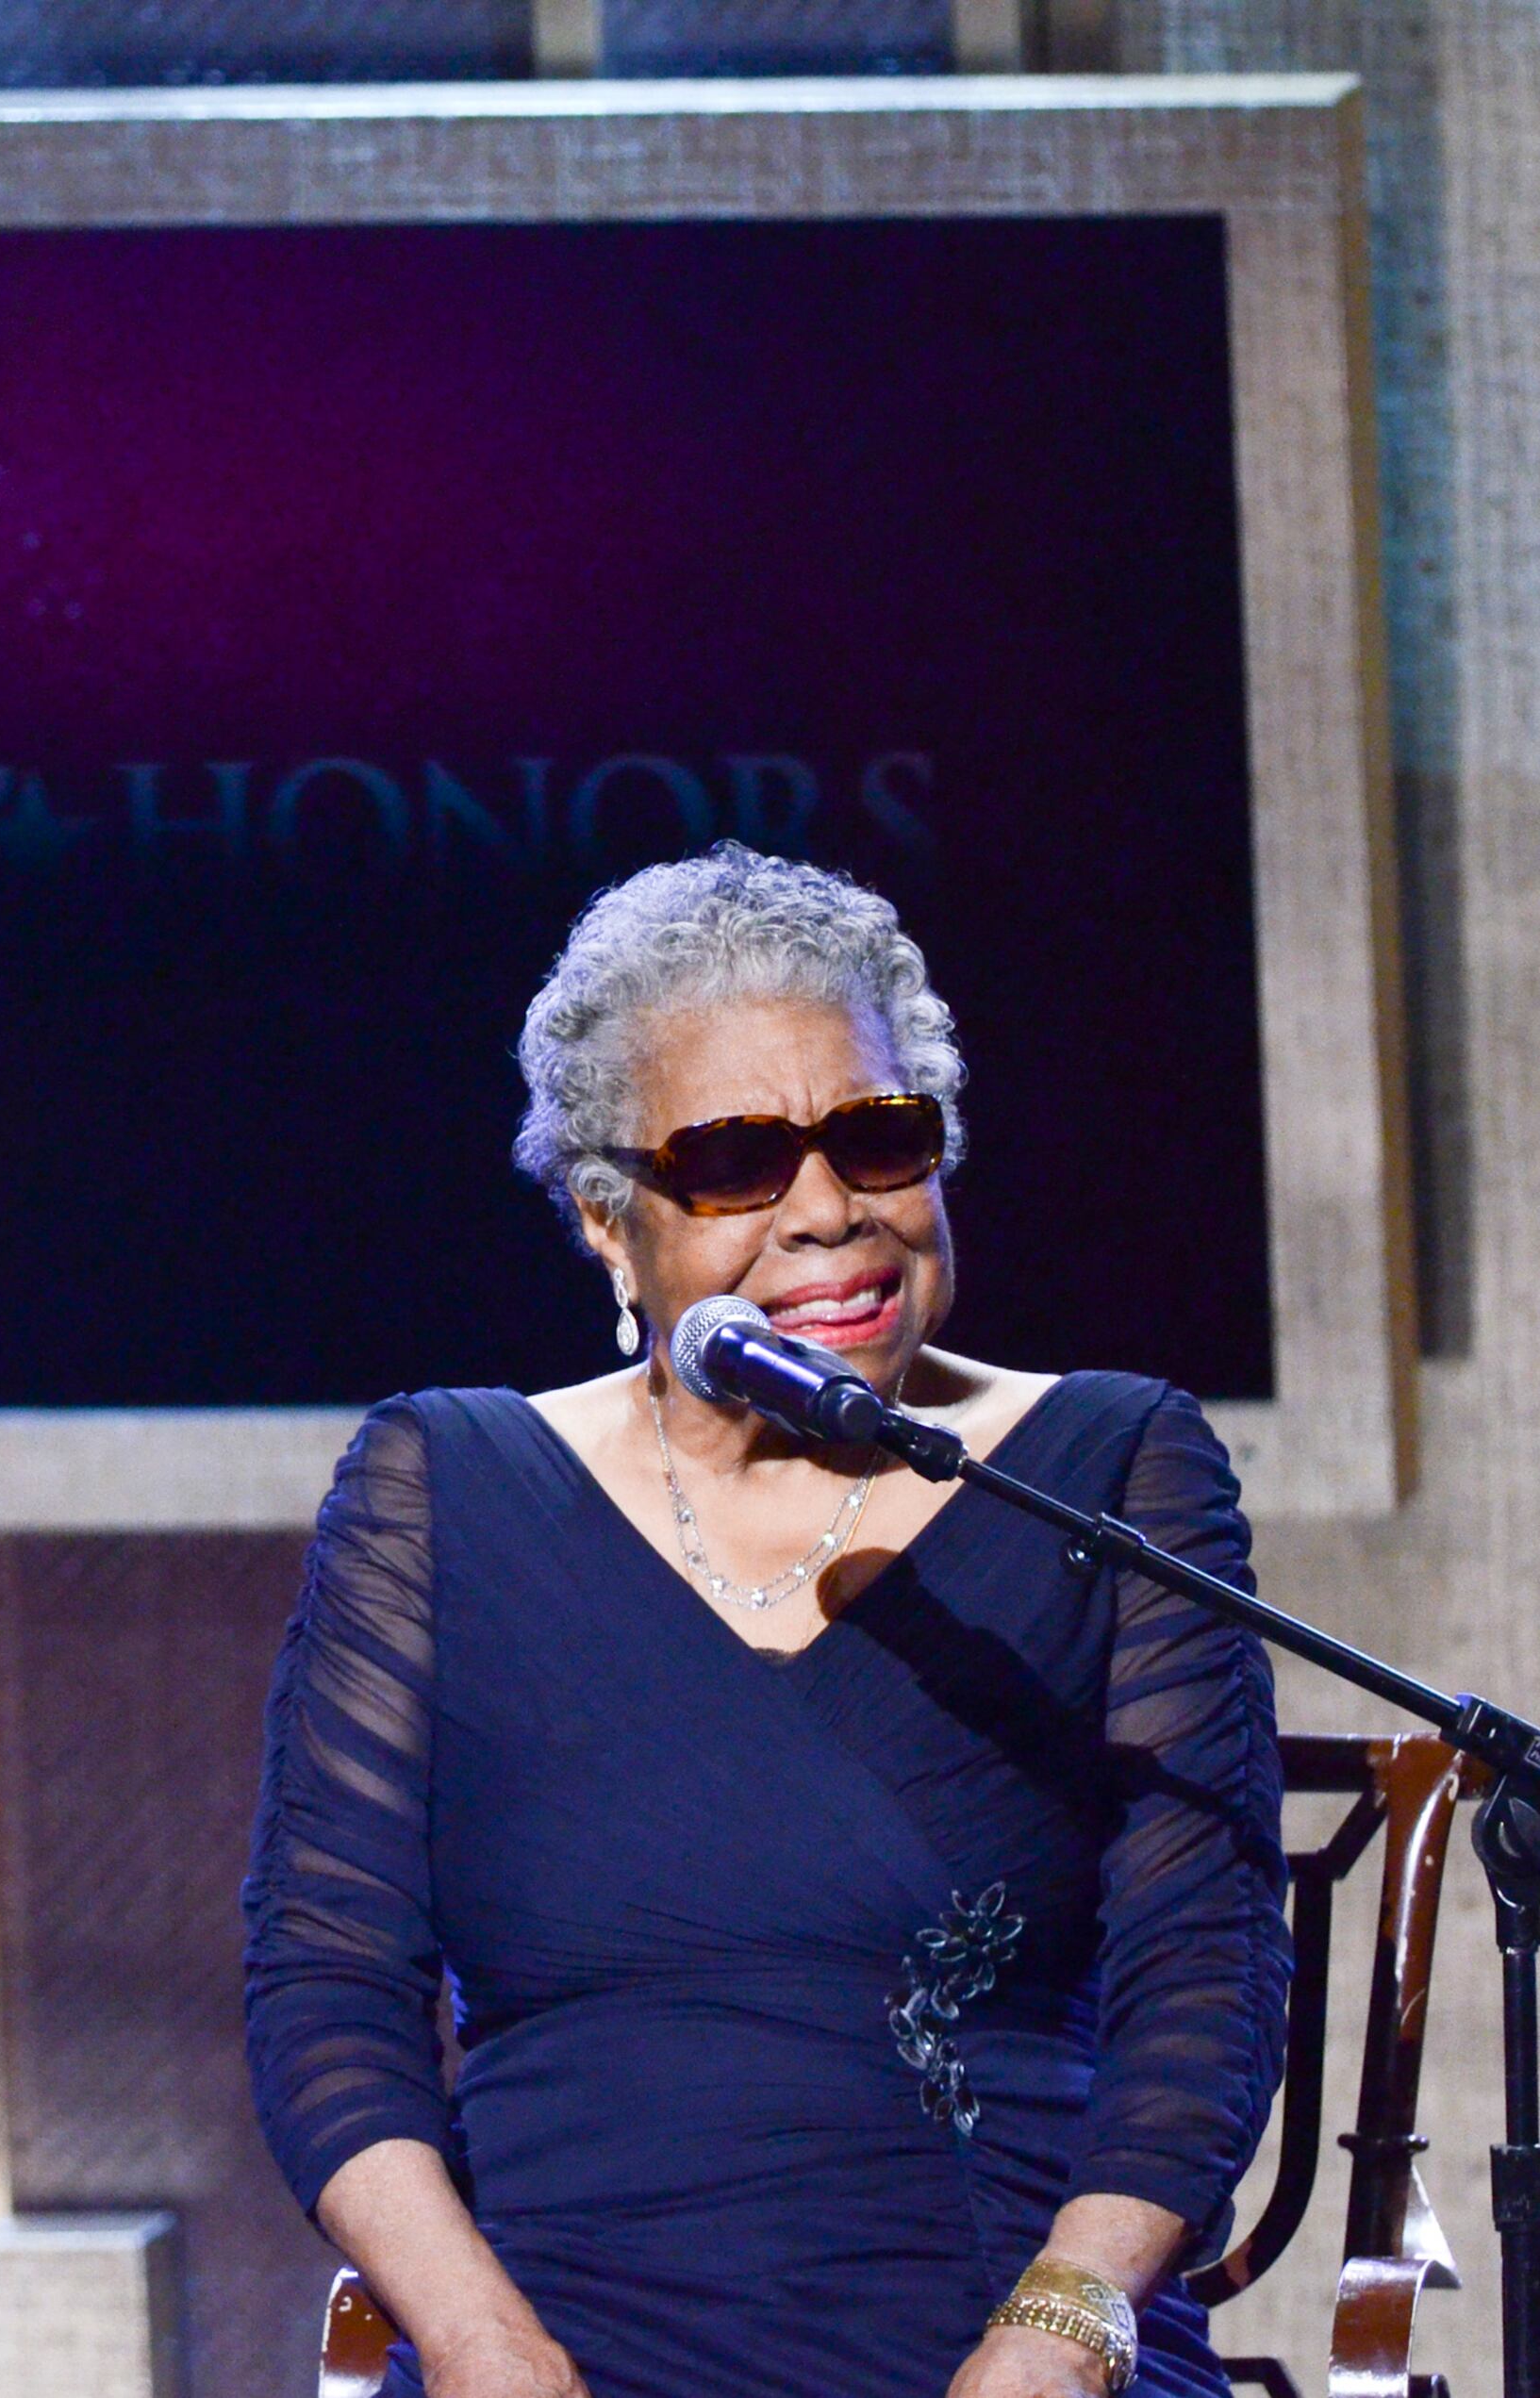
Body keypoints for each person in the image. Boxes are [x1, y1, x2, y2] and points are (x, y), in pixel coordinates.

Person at [241, 845, 1289, 2398]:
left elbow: (1204, 1968)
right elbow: (328, 1982)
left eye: (878, 1139)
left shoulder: (1112, 1463)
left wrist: (1067, 2324)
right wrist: (474, 2342)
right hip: (562, 2336)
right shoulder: (442, 1485)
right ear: (611, 1223)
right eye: (736, 1163)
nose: (827, 1215)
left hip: (995, 2327)